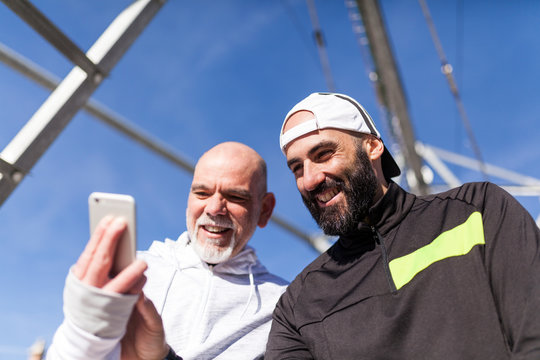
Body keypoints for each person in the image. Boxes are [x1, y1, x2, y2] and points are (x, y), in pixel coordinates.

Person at [266, 92, 540, 359]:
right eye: (297, 168)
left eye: (324, 153)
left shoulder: (477, 210)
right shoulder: (297, 306)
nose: (310, 179)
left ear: (373, 147)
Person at [47, 141, 289, 360]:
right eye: (202, 193)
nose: (214, 209)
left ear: (265, 210)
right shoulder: (133, 270)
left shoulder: (282, 304)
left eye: (235, 196)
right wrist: (80, 332)